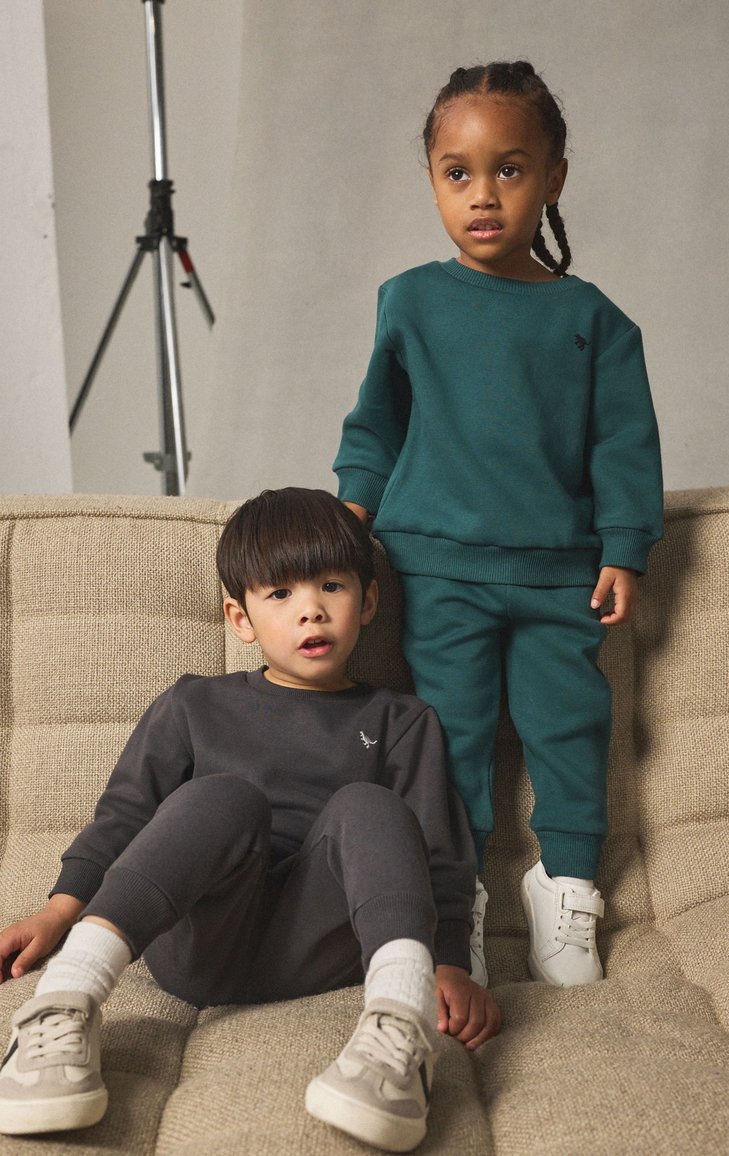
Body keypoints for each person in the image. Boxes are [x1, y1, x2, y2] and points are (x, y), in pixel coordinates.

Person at [0, 487, 500, 1152]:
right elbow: (123, 818)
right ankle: (63, 1004)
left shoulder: (401, 720)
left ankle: (396, 1032)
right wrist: (58, 912)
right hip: (195, 941)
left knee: (371, 806)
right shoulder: (193, 704)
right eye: (281, 594)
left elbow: (438, 853)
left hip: (318, 951)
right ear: (241, 618)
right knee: (223, 798)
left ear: (368, 602)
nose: (311, 609)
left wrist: (449, 964)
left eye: (332, 586)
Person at [333, 61, 663, 990]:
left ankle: (567, 886)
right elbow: (377, 425)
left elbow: (624, 445)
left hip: (563, 575)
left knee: (572, 728)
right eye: (458, 173)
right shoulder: (409, 301)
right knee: (454, 739)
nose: (483, 194)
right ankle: (454, 903)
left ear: (554, 177)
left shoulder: (595, 320)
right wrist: (351, 515)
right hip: (437, 569)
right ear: (433, 181)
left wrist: (626, 547)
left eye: (509, 169)